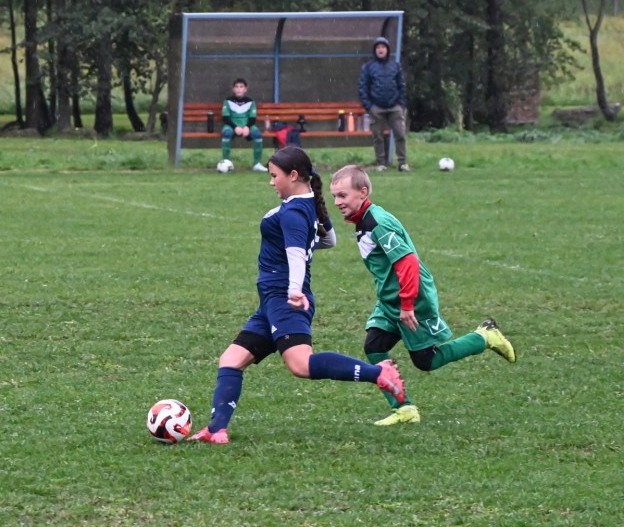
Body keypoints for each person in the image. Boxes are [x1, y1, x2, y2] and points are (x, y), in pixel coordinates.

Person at [189, 147, 409, 444]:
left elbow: (295, 254)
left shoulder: (294, 211)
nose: (271, 182)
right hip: (271, 301)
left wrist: (294, 289)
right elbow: (329, 240)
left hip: (285, 299)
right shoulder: (308, 205)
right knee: (231, 359)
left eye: (274, 176)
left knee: (301, 365)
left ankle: (378, 373)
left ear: (293, 176)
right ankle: (217, 429)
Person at [328, 165, 516, 425]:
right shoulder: (364, 220)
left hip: (412, 297)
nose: (337, 202)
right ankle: (404, 408)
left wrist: (407, 305)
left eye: (342, 195)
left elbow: (408, 262)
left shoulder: (377, 223)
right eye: (334, 196)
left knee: (426, 360)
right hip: (391, 299)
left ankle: (484, 337)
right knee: (374, 346)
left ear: (363, 192)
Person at [357, 37, 409, 172]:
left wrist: (401, 104)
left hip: (394, 107)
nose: (381, 50)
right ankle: (381, 164)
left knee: (400, 134)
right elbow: (363, 88)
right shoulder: (368, 67)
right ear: (375, 50)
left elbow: (401, 86)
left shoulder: (395, 66)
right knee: (378, 136)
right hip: (376, 108)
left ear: (387, 50)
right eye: (378, 47)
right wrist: (370, 107)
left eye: (383, 47)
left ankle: (402, 163)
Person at [221, 78, 267, 172]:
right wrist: (235, 127)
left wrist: (247, 127)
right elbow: (225, 118)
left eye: (241, 87)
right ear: (233, 89)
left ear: (245, 89)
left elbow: (253, 118)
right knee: (227, 133)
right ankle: (226, 163)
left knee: (257, 134)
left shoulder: (250, 101)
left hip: (247, 125)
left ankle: (257, 164)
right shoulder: (227, 101)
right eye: (236, 87)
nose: (239, 89)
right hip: (232, 125)